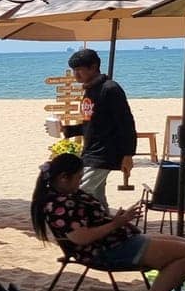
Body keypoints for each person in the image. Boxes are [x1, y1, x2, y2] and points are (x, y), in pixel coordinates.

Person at [31, 153, 185, 291]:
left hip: (115, 242)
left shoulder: (66, 195)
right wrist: (115, 224)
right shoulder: (59, 204)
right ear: (63, 178)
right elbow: (80, 238)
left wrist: (117, 220)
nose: (80, 181)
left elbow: (90, 222)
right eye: (79, 177)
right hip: (105, 250)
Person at [53, 48, 136, 206]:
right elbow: (90, 124)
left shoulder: (110, 89)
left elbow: (126, 123)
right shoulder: (89, 91)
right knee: (96, 198)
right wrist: (67, 130)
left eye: (79, 70)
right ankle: (106, 227)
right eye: (74, 70)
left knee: (79, 191)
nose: (76, 75)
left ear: (93, 67)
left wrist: (128, 154)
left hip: (104, 153)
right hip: (91, 150)